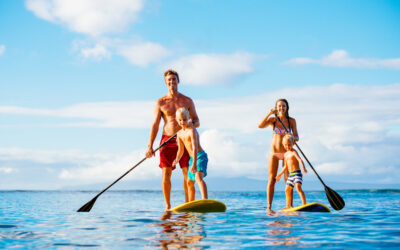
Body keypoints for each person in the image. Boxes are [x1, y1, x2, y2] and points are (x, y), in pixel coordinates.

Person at [145, 69, 200, 210]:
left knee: (187, 173)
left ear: (178, 81)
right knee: (166, 173)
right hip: (166, 140)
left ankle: (189, 204)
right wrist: (149, 146)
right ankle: (168, 206)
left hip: (184, 139)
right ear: (165, 82)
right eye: (169, 80)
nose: (171, 82)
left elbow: (197, 120)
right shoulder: (161, 102)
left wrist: (188, 124)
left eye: (174, 79)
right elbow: (155, 125)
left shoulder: (187, 101)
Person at [258, 99, 299, 212]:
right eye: (279, 106)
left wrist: (292, 138)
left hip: (287, 153)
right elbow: (260, 126)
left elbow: (297, 137)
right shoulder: (273, 120)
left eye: (283, 106)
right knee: (271, 179)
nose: (281, 108)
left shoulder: (291, 121)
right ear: (276, 107)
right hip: (274, 153)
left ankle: (289, 206)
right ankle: (269, 207)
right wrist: (269, 113)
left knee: (288, 179)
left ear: (287, 107)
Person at [173, 107, 208, 201]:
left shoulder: (191, 131)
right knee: (189, 182)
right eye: (180, 120)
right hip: (192, 158)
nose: (182, 122)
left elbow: (195, 147)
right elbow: (181, 150)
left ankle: (205, 200)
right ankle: (191, 203)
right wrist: (177, 159)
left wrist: (194, 164)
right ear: (177, 120)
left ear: (188, 119)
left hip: (200, 156)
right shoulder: (179, 133)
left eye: (184, 120)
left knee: (198, 178)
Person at [276, 134, 307, 209]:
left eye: (289, 145)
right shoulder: (286, 154)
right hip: (290, 175)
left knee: (298, 187)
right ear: (283, 145)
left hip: (297, 174)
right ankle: (288, 205)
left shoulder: (294, 152)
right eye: (286, 145)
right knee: (287, 189)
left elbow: (300, 159)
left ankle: (304, 204)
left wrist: (303, 168)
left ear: (293, 143)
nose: (287, 146)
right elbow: (285, 166)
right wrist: (279, 174)